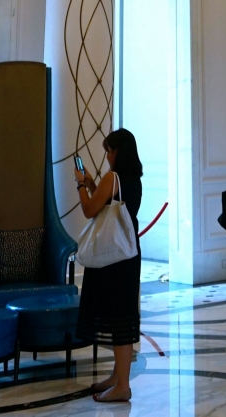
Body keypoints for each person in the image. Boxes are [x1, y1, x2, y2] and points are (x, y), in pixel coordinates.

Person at [75, 129, 143, 404]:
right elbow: (112, 205)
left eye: (108, 150)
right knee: (122, 315)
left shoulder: (112, 177)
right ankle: (117, 376)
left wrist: (81, 185)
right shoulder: (133, 179)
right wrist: (93, 184)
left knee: (118, 317)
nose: (106, 155)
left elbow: (90, 210)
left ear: (117, 152)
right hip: (127, 252)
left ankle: (123, 385)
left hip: (112, 259)